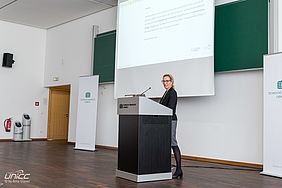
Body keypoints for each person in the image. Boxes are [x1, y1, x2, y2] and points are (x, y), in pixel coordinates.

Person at [160, 74, 183, 179]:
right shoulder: (166, 92)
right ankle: (166, 166)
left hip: (171, 121)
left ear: (172, 82)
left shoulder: (172, 93)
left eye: (167, 81)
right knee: (166, 144)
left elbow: (170, 109)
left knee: (173, 143)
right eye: (163, 81)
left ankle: (179, 169)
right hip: (165, 121)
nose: (165, 83)